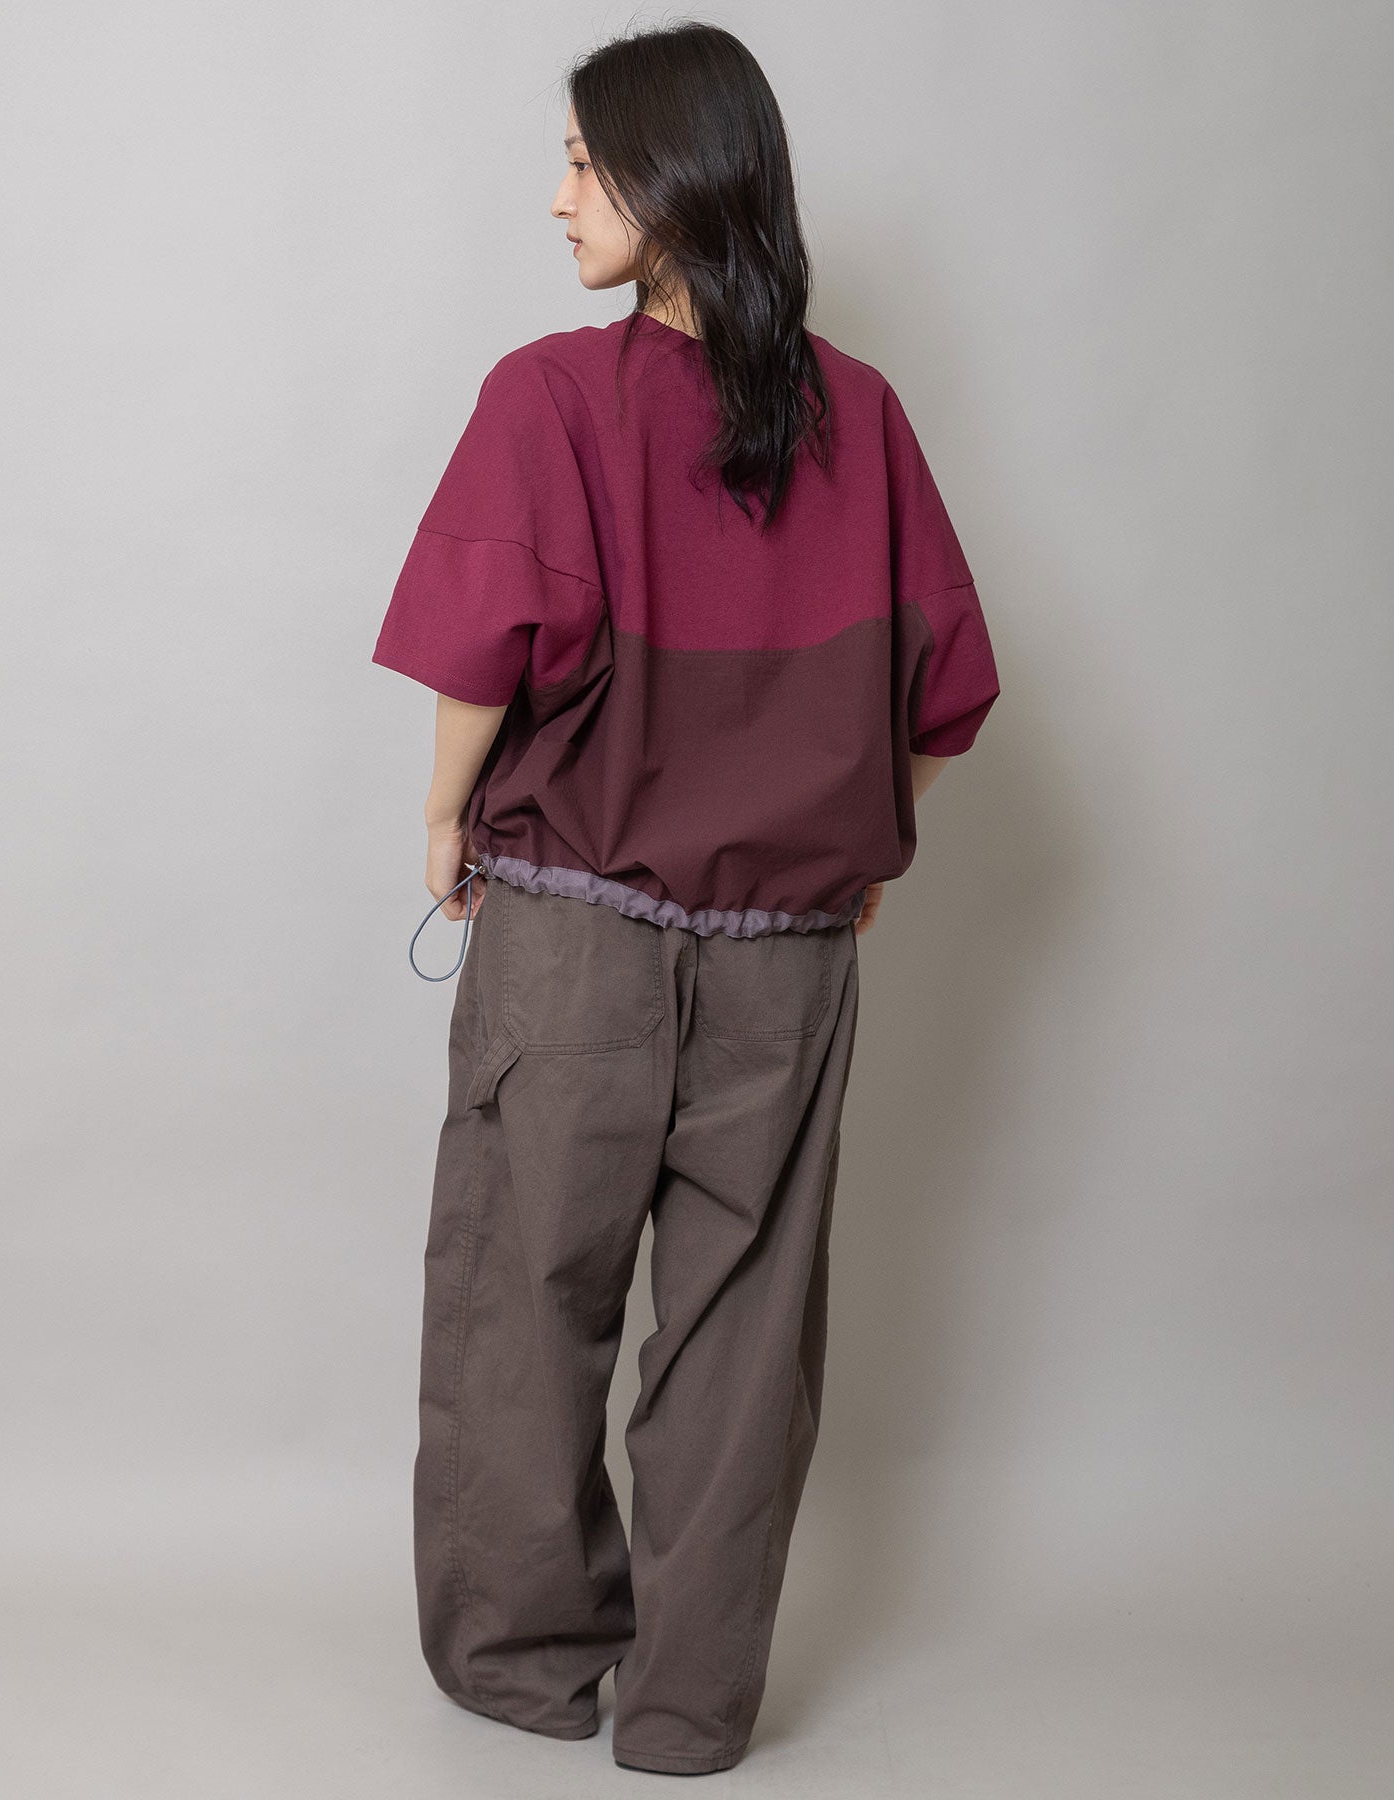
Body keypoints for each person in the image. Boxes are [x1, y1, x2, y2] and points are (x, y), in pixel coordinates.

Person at [370, 21, 1000, 1777]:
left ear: (666, 177)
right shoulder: (861, 416)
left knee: (523, 1307)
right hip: (787, 968)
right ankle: (689, 1709)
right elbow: (947, 694)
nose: (557, 197)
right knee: (742, 1344)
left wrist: (444, 818)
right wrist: (857, 842)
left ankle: (523, 1675)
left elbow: (482, 652)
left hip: (573, 938)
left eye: (583, 162)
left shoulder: (552, 398)